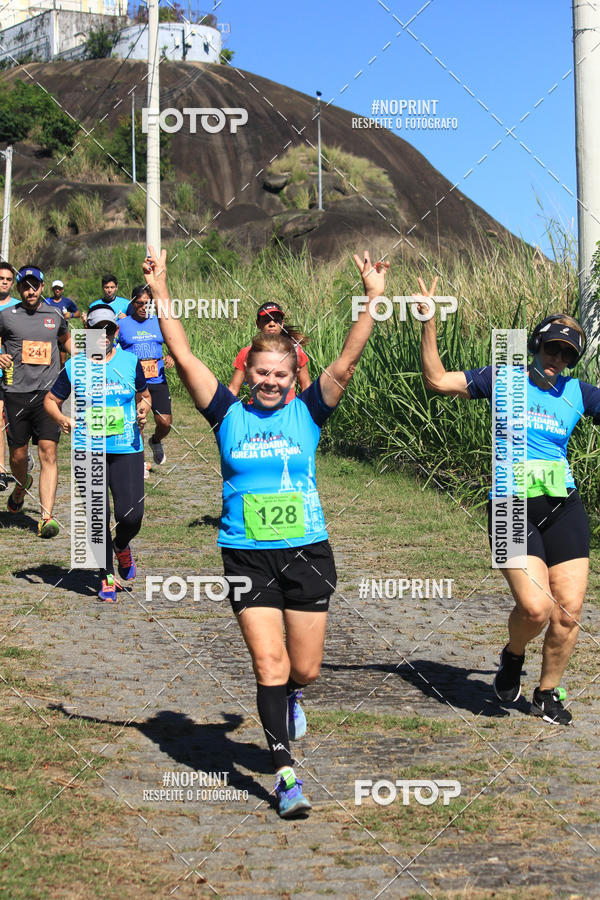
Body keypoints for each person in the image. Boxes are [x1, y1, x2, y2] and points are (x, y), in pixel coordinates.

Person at [145, 245, 388, 817]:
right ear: (247, 372)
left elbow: (347, 363)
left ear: (292, 374)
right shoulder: (227, 413)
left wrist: (372, 301)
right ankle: (284, 776)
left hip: (307, 552)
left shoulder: (307, 412)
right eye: (262, 373)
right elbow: (181, 356)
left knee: (302, 669)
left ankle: (295, 695)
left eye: (281, 374)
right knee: (268, 666)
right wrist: (160, 294)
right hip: (245, 556)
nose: (271, 382)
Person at [419, 283, 599, 726]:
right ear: (537, 346)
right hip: (509, 506)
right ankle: (513, 655)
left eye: (568, 356)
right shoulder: (503, 378)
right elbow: (438, 381)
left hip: (563, 505)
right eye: (552, 350)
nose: (558, 362)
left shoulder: (578, 393)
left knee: (569, 611)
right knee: (537, 608)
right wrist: (429, 325)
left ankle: (546, 693)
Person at [44, 305, 150, 601]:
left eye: (109, 330)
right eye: (97, 331)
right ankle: (105, 573)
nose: (103, 336)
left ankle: (121, 546)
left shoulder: (130, 361)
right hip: (87, 448)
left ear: (116, 332)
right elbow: (51, 400)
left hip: (126, 446)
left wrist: (143, 411)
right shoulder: (74, 366)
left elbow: (145, 396)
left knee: (131, 515)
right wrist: (62, 419)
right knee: (96, 514)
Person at [0, 265, 71, 536]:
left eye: (35, 286)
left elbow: (67, 342)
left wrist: (82, 359)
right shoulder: (7, 316)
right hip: (16, 393)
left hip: (48, 395)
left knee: (48, 453)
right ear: (20, 289)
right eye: (25, 286)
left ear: (42, 287)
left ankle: (46, 517)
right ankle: (22, 483)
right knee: (18, 457)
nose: (30, 291)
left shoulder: (54, 315)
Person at [117, 285, 174, 474]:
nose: (143, 307)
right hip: (134, 383)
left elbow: (174, 341)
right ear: (132, 303)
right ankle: (140, 465)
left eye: (147, 304)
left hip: (157, 380)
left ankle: (156, 440)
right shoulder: (122, 324)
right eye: (139, 303)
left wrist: (171, 355)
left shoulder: (159, 322)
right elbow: (109, 346)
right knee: (137, 422)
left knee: (165, 422)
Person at [228, 303, 311, 404]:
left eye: (276, 320)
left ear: (282, 324)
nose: (272, 324)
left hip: (287, 412)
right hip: (257, 413)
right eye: (267, 320)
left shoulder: (295, 351)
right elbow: (233, 389)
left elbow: (306, 386)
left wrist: (303, 413)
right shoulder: (247, 352)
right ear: (257, 324)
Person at [0, 262, 20, 492]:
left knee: (13, 422)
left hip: (17, 374)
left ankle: (19, 458)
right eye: (1, 278)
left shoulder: (19, 307)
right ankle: (2, 469)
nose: (4, 282)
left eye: (8, 279)